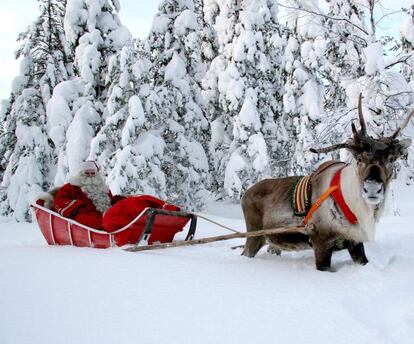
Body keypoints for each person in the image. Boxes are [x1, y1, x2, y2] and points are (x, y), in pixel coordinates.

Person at [53, 161, 123, 229]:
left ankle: (118, 225)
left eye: (93, 173)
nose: (90, 176)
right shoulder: (71, 187)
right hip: (87, 216)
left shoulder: (102, 187)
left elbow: (110, 201)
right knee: (84, 218)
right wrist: (77, 208)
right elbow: (60, 200)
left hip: (106, 214)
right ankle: (111, 226)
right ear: (80, 174)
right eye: (87, 173)